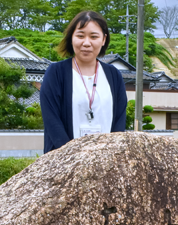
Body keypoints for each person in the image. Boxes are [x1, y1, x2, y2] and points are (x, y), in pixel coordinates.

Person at [40, 10, 127, 153]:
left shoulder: (113, 75)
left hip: (106, 161)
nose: (86, 43)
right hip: (63, 161)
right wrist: (71, 156)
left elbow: (119, 120)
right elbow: (52, 120)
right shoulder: (56, 73)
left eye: (94, 36)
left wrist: (112, 154)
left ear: (103, 39)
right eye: (80, 36)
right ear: (71, 38)